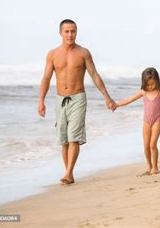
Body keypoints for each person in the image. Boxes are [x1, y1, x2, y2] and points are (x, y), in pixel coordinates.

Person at [38, 19, 117, 185]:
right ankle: (70, 173)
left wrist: (107, 97)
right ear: (60, 33)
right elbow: (46, 77)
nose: (70, 35)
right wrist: (41, 101)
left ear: (76, 32)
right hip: (60, 99)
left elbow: (94, 75)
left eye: (73, 31)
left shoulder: (83, 53)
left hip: (78, 98)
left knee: (74, 137)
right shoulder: (52, 54)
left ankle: (67, 173)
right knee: (64, 139)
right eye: (66, 31)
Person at [114, 67, 160, 175]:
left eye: (153, 84)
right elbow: (129, 100)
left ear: (157, 80)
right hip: (146, 122)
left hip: (157, 120)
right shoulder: (143, 92)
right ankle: (149, 165)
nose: (150, 86)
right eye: (148, 84)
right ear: (144, 83)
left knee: (153, 144)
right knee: (146, 146)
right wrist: (116, 104)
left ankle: (155, 167)